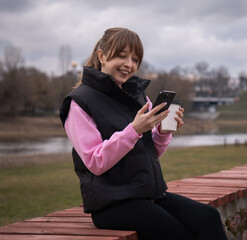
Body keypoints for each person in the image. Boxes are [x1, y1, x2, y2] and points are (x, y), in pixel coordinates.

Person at [59, 27, 228, 240]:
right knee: (179, 234)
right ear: (102, 56)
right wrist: (135, 129)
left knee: (209, 217)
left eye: (135, 59)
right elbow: (95, 161)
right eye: (122, 56)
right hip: (111, 204)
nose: (129, 64)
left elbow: (150, 152)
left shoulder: (137, 96)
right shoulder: (79, 103)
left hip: (146, 194)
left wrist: (163, 131)